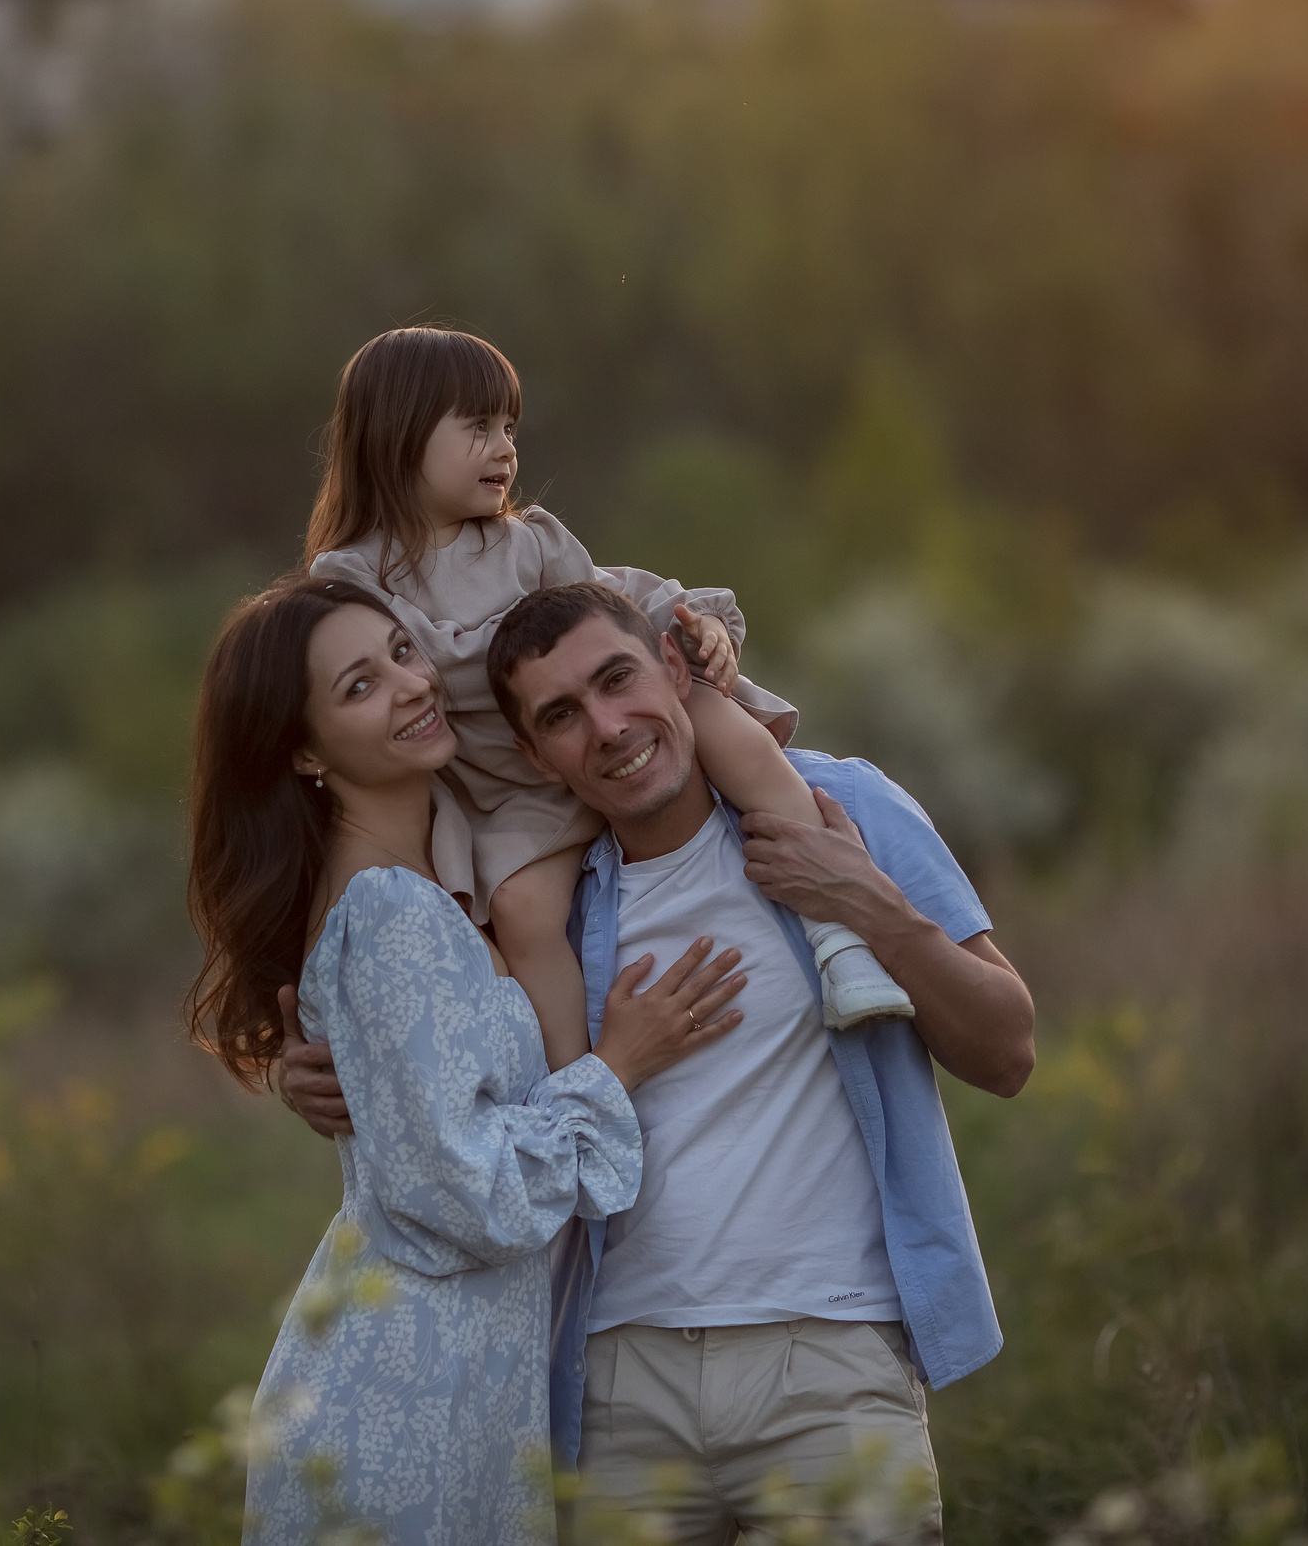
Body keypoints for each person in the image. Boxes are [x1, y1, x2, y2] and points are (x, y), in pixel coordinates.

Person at [282, 582, 1036, 1544]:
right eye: (562, 715)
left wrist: (873, 908)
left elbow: (1007, 1048)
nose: (607, 726)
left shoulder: (835, 806)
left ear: (675, 671)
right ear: (533, 756)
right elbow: (447, 1101)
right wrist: (313, 1078)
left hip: (832, 1359)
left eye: (618, 678)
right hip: (613, 1385)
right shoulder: (543, 918)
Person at [185, 575, 754, 1546]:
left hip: (465, 1380)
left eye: (404, 655)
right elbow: (464, 1190)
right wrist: (616, 1065)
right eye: (360, 686)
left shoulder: (431, 895)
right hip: (407, 1387)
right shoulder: (391, 915)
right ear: (306, 751)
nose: (411, 686)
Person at [305, 326, 918, 1050]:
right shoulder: (354, 577)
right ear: (397, 436)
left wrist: (700, 624)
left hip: (619, 736)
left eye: (510, 427)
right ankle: (578, 1086)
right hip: (515, 794)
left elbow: (607, 610)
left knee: (727, 727)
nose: (505, 447)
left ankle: (840, 942)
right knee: (524, 909)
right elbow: (395, 674)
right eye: (478, 427)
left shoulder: (527, 541)